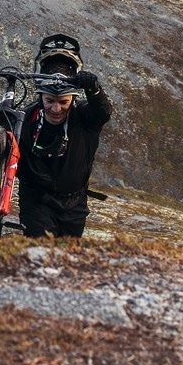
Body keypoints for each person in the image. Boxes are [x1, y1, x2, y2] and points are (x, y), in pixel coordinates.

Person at [12, 34, 112, 239]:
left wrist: (94, 90)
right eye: (49, 101)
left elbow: (103, 112)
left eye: (63, 102)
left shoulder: (85, 117)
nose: (55, 109)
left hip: (74, 206)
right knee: (41, 254)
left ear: (73, 99)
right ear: (40, 96)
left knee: (65, 258)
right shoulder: (25, 119)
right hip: (36, 202)